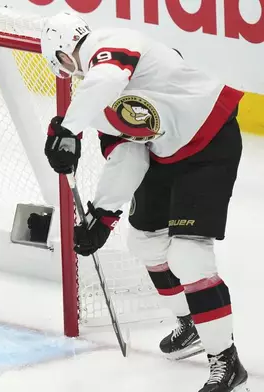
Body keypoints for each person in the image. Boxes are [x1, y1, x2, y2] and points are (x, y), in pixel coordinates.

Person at [40, 12, 248, 392]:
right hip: (164, 155)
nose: (71, 73)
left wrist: (69, 128)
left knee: (189, 256)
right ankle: (191, 324)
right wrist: (103, 215)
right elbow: (129, 157)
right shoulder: (97, 101)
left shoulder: (112, 44)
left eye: (66, 65)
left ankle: (226, 361)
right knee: (145, 242)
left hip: (209, 145)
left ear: (64, 54)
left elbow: (108, 76)